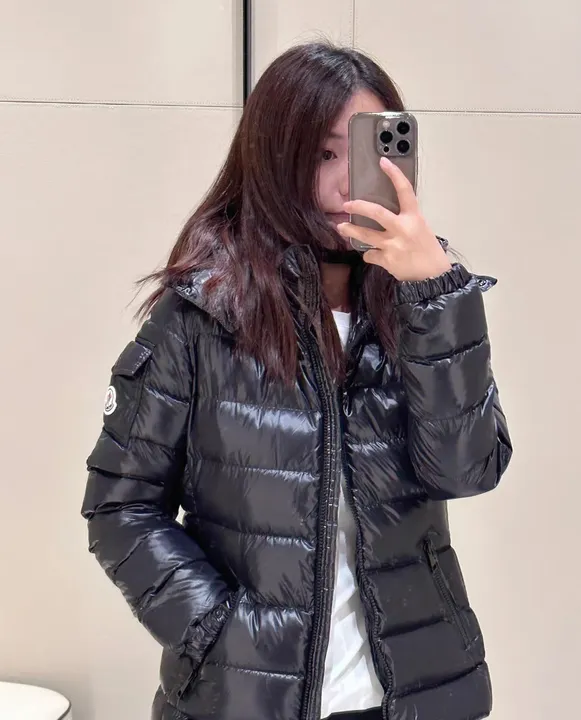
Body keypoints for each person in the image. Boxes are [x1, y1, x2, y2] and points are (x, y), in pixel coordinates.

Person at [81, 42, 512, 720]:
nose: (347, 183)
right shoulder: (202, 316)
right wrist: (218, 635)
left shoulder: (422, 309)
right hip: (248, 700)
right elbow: (120, 507)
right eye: (322, 155)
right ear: (275, 158)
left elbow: (467, 471)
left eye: (366, 152)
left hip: (414, 695)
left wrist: (436, 297)